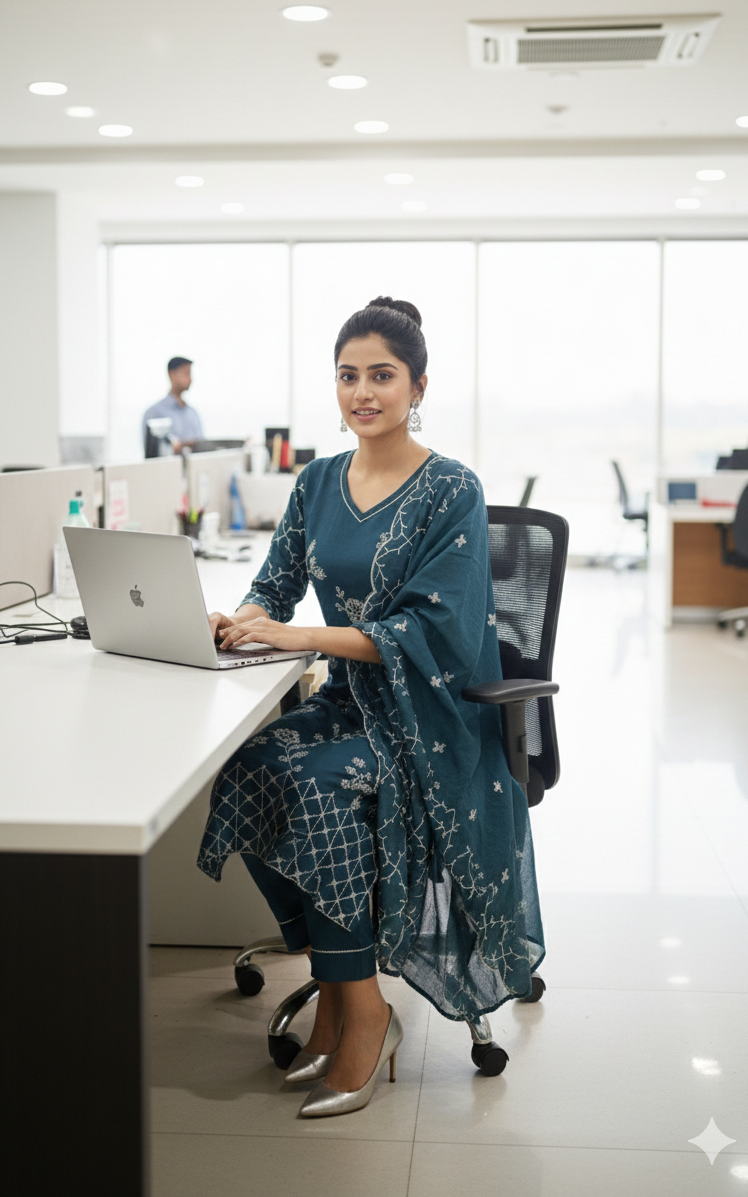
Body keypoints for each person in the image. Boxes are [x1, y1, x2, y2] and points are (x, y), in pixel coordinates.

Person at [198, 297, 544, 1118]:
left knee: (316, 786)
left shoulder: (450, 487)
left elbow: (431, 632)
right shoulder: (317, 480)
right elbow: (276, 579)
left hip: (432, 717)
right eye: (348, 376)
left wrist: (297, 633)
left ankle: (359, 1015)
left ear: (417, 385)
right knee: (249, 768)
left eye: (381, 376)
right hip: (353, 703)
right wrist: (246, 619)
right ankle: (344, 992)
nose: (363, 392)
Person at [142, 356, 203, 455]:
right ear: (172, 374)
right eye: (186, 373)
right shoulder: (154, 413)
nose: (190, 379)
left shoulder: (193, 413)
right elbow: (152, 454)